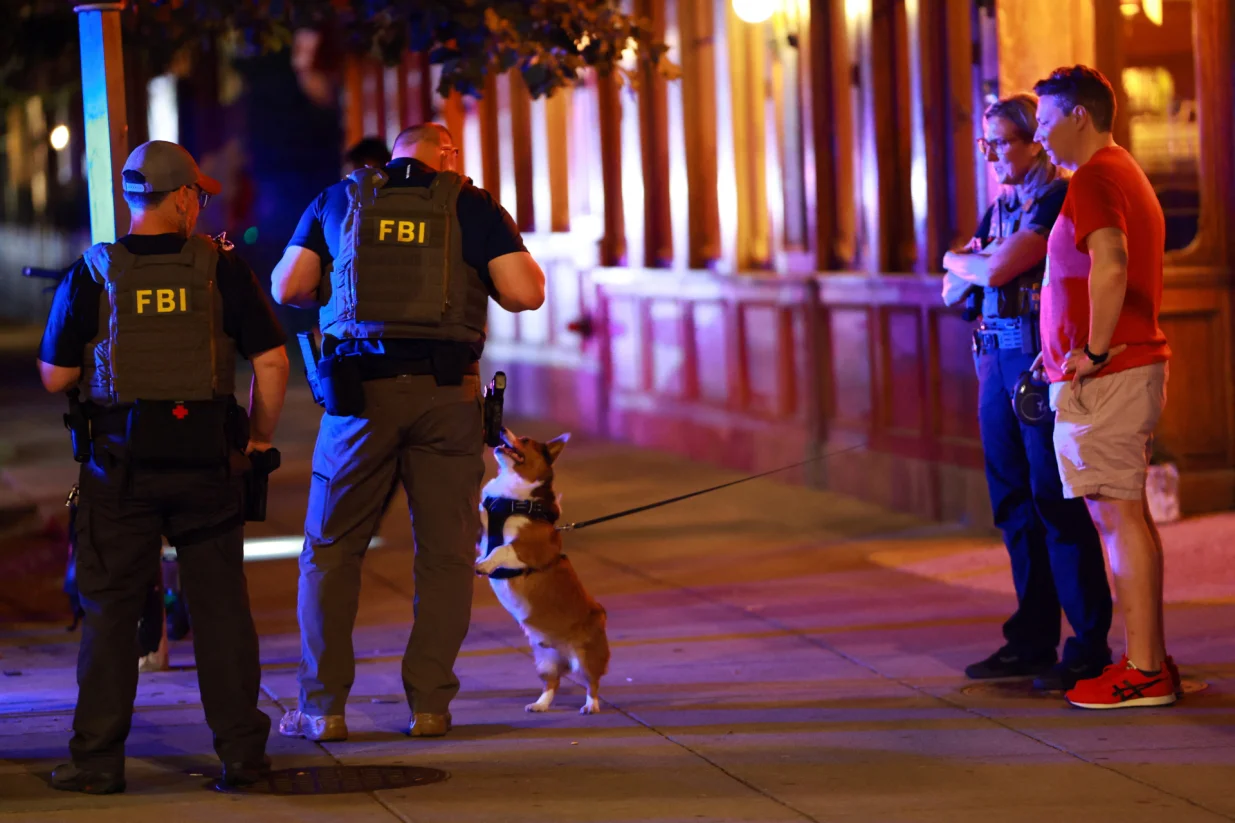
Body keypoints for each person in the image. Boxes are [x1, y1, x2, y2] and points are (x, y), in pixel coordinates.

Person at [271, 123, 545, 741]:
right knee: (445, 556)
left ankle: (322, 709)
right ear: (447, 156)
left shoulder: (338, 199)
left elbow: (288, 287)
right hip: (446, 397)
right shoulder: (470, 205)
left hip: (357, 401)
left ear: (394, 155)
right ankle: (429, 707)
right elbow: (526, 294)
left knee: (332, 551)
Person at [37, 140, 291, 793]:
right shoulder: (220, 267)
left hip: (118, 465)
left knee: (111, 610)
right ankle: (242, 756)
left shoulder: (94, 272)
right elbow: (270, 362)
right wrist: (258, 439)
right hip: (207, 462)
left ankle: (96, 760)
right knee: (220, 609)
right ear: (180, 197)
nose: (201, 207)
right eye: (198, 196)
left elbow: (56, 374)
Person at [942, 94, 1113, 691]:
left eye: (999, 142)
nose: (988, 154)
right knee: (1013, 502)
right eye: (983, 144)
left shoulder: (1054, 195)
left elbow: (987, 271)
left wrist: (959, 257)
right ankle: (1032, 639)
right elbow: (948, 291)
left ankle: (1089, 643)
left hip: (1032, 358)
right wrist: (970, 263)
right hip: (991, 354)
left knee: (1054, 499)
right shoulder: (1001, 207)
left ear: (1031, 141)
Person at [1031, 65, 1178, 709]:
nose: (1039, 134)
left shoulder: (1093, 177)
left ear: (1078, 115)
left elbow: (1110, 263)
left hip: (1111, 373)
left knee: (1118, 519)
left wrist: (1088, 351)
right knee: (1127, 517)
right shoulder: (1119, 170)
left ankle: (1143, 670)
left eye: (1044, 120)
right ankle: (1149, 657)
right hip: (1121, 368)